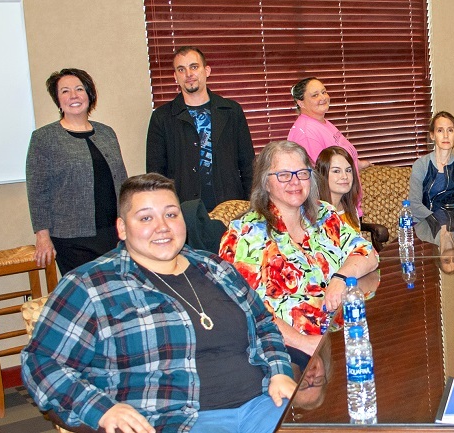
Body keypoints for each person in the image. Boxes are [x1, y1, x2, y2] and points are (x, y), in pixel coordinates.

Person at [21, 174, 296, 433]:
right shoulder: (90, 285)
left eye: (171, 214)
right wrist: (102, 411)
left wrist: (279, 371)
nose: (162, 227)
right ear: (121, 227)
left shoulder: (216, 268)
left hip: (264, 404)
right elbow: (41, 362)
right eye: (145, 218)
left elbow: (263, 325)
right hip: (177, 420)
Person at [219, 140, 379, 369]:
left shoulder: (325, 215)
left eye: (302, 173)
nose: (295, 182)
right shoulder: (245, 235)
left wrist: (341, 277)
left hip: (340, 334)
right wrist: (305, 344)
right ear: (265, 181)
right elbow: (247, 311)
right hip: (289, 352)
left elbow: (368, 254)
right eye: (283, 175)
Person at [26, 68, 128, 275]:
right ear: (58, 100)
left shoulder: (107, 133)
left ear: (89, 95)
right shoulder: (44, 138)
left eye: (79, 89)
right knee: (85, 295)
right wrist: (42, 236)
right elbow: (37, 192)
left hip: (113, 233)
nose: (73, 96)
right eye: (65, 91)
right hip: (71, 239)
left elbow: (122, 180)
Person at [146, 46, 255, 211]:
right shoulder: (162, 118)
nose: (188, 74)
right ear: (175, 77)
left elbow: (248, 165)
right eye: (181, 69)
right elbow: (155, 173)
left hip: (230, 206)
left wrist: (253, 204)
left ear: (207, 70)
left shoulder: (231, 111)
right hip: (184, 208)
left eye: (194, 67)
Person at [408, 111, 454, 225]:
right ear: (432, 135)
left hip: (453, 226)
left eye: (450, 130)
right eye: (440, 130)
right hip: (423, 225)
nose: (446, 135)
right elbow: (414, 204)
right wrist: (437, 223)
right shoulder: (420, 165)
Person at [287, 77, 371, 169]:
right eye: (315, 95)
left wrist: (360, 164)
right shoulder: (307, 133)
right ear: (301, 103)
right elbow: (320, 173)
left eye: (324, 92)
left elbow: (342, 159)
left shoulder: (323, 123)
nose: (323, 97)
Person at [314, 146, 363, 231]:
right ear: (323, 174)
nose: (345, 176)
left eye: (348, 170)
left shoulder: (351, 208)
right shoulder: (315, 213)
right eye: (336, 171)